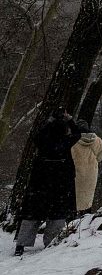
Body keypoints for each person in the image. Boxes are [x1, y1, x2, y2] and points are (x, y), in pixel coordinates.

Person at [14, 109, 81, 256]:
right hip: (60, 184)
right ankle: (51, 242)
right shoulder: (65, 142)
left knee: (32, 214)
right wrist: (69, 119)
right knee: (56, 215)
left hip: (40, 183)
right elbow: (78, 134)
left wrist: (49, 121)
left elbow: (37, 135)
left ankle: (21, 244)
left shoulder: (42, 142)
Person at [71, 125, 102, 216]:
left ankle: (72, 223)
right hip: (91, 174)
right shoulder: (98, 140)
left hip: (76, 173)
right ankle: (85, 217)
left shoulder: (73, 140)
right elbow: (100, 157)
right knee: (87, 198)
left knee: (74, 199)